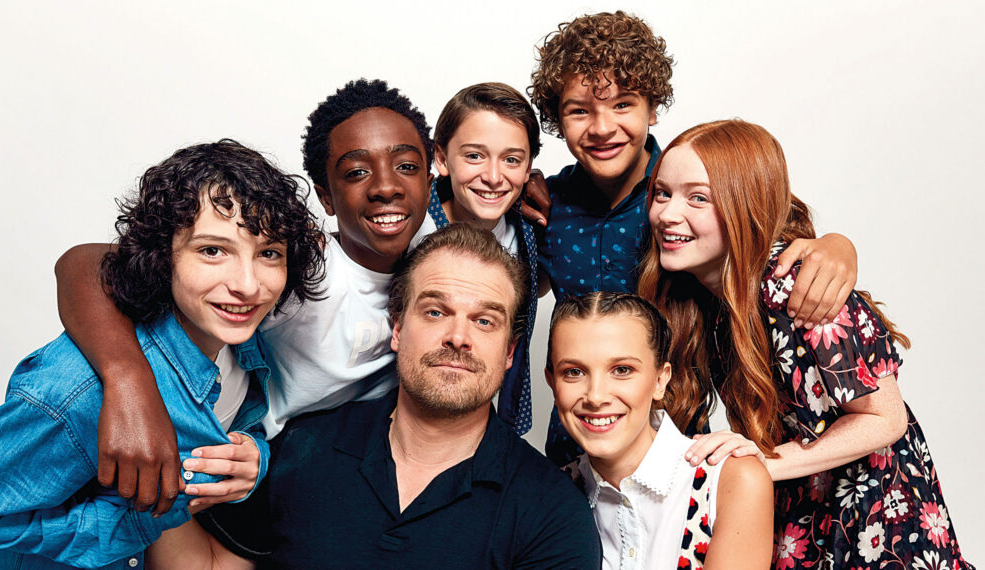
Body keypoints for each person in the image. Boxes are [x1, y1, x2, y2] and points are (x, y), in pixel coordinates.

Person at [52, 78, 437, 514]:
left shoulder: (443, 259)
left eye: (407, 167)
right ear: (326, 197)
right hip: (216, 450)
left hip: (287, 459)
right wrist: (129, 381)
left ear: (430, 178)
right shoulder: (303, 263)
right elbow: (85, 262)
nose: (386, 186)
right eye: (356, 172)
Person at [145, 223, 603, 569]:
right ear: (398, 329)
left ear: (509, 351)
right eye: (436, 310)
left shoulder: (553, 511)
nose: (458, 337)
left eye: (485, 320)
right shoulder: (303, 446)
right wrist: (157, 435)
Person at [524, 10, 861, 465]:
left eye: (623, 104)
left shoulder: (692, 182)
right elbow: (506, 279)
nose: (602, 128)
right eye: (580, 111)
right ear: (556, 118)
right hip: (576, 439)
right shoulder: (546, 206)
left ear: (653, 106)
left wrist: (840, 245)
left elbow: (769, 231)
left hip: (679, 440)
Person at [0, 139, 326, 568]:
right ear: (164, 256)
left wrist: (253, 459)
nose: (248, 285)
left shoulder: (245, 341)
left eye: (269, 253)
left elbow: (235, 426)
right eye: (213, 251)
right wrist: (138, 523)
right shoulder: (79, 388)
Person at [639, 119, 974, 568]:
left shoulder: (795, 283)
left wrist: (762, 465)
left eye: (698, 198)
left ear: (745, 205)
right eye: (662, 193)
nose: (667, 214)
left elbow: (886, 418)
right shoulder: (707, 302)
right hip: (803, 515)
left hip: (875, 521)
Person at [546, 291, 772, 569]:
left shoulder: (729, 481)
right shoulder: (548, 494)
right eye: (574, 372)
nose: (596, 396)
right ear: (552, 383)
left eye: (622, 369)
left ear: (660, 380)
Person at [427, 81, 541, 435]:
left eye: (511, 160)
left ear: (528, 168)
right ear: (442, 158)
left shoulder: (530, 229)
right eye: (474, 156)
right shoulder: (411, 229)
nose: (493, 177)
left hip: (484, 422)